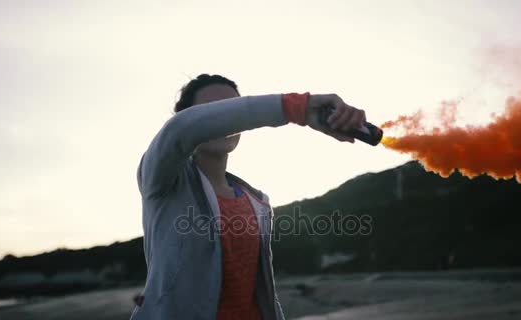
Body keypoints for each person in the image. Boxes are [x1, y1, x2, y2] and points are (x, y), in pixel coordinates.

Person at [130, 74, 367, 320]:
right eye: (213, 111)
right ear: (189, 116)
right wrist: (299, 108)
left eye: (232, 110)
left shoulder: (257, 202)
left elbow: (261, 295)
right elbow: (180, 129)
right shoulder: (162, 181)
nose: (226, 120)